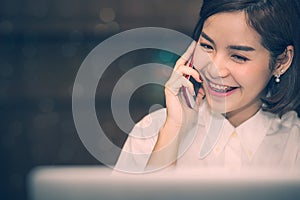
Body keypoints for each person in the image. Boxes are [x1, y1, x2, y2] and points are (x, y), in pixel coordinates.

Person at [114, 0, 300, 173]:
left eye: (238, 56)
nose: (214, 70)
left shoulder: (294, 144)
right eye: (207, 46)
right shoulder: (151, 132)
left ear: (281, 61)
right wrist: (173, 130)